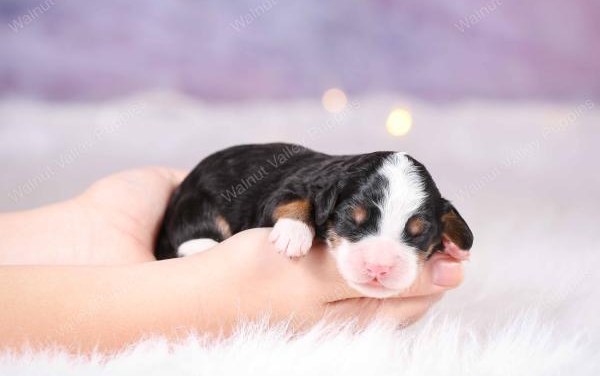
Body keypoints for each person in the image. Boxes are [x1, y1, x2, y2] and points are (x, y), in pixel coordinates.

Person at [0, 167, 464, 353]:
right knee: (202, 234)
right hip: (203, 213)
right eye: (355, 224)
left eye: (415, 238)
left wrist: (92, 226)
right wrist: (197, 298)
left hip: (118, 233)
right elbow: (293, 197)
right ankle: (193, 245)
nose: (381, 262)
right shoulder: (315, 189)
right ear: (331, 202)